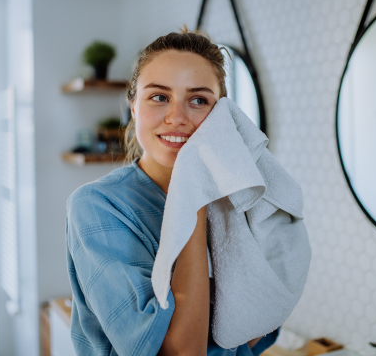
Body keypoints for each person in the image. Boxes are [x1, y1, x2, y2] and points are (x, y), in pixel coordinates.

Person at [65, 28, 280, 355]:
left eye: (198, 100)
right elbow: (180, 352)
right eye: (159, 96)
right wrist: (191, 199)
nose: (177, 117)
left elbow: (255, 327)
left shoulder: (237, 202)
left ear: (221, 116)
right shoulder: (96, 207)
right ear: (134, 106)